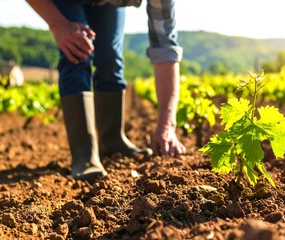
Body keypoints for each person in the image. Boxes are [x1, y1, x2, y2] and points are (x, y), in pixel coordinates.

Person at [25, 0, 186, 182]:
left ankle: (112, 141)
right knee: (77, 51)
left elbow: (165, 48)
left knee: (110, 57)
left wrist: (167, 126)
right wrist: (58, 24)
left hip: (109, 5)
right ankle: (83, 155)